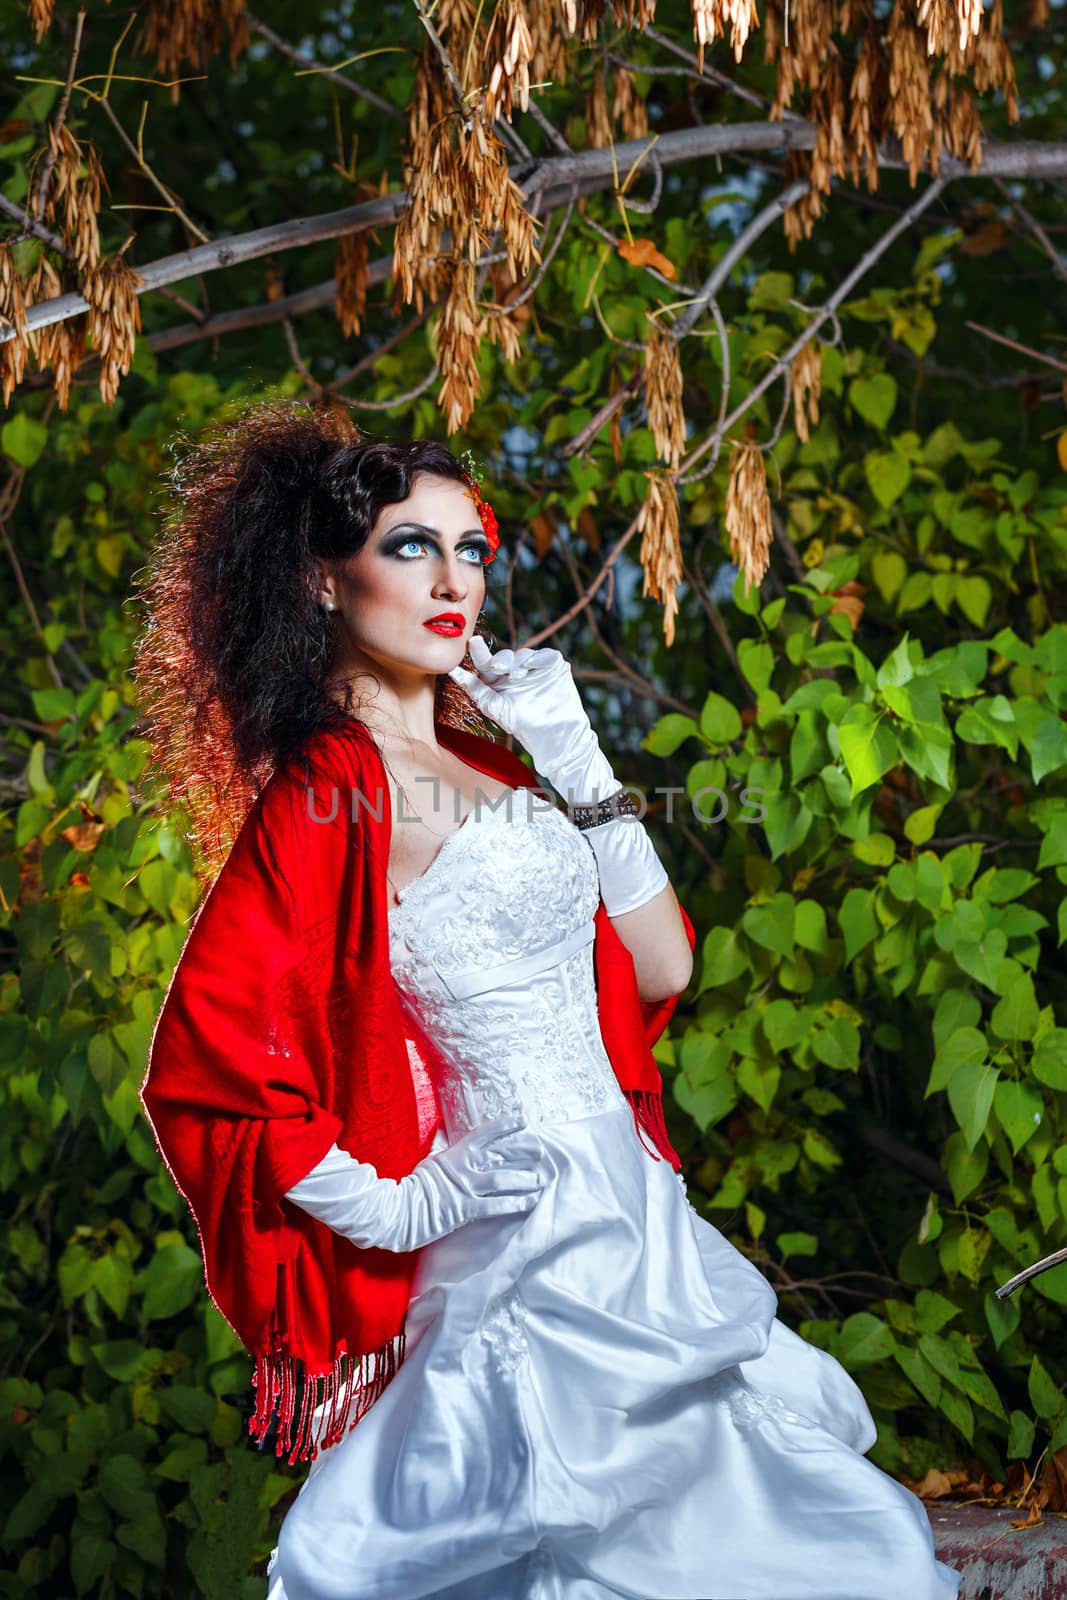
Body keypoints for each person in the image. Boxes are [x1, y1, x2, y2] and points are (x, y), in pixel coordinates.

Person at [135, 401, 960, 1600]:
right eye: (409, 545)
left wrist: (576, 764)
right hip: (517, 1228)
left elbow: (663, 968)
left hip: (633, 1206)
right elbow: (208, 1054)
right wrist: (394, 1205)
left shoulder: (497, 762)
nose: (451, 576)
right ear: (323, 581)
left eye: (470, 547)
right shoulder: (329, 785)